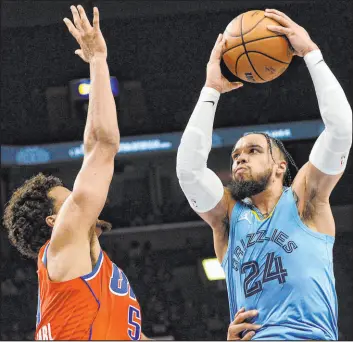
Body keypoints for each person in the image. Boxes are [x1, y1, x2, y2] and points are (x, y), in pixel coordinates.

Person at [176, 8, 352, 340]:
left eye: (253, 151)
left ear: (280, 166)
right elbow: (188, 170)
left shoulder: (304, 202)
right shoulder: (228, 218)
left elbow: (340, 131)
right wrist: (210, 90)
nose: (239, 160)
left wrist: (312, 54)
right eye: (235, 155)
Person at [3, 5, 149, 340]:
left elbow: (92, 149)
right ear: (54, 223)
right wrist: (98, 60)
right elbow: (103, 146)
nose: (81, 198)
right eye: (69, 200)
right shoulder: (62, 245)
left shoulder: (82, 266)